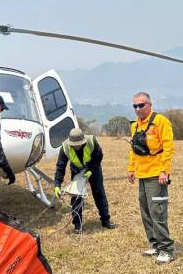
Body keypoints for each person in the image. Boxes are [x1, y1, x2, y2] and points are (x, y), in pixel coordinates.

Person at [127, 92, 175, 264]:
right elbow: (134, 149)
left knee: (157, 212)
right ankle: (155, 244)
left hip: (156, 175)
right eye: (135, 106)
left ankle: (167, 249)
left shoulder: (161, 121)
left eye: (141, 105)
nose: (138, 109)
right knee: (146, 211)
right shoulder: (135, 125)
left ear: (150, 105)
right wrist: (131, 169)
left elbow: (168, 148)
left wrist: (164, 171)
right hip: (142, 174)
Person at [53, 127, 116, 234]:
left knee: (99, 193)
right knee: (76, 196)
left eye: (79, 144)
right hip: (76, 170)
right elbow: (60, 167)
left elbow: (98, 157)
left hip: (93, 168)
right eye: (74, 144)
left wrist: (91, 170)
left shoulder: (91, 141)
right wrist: (57, 184)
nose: (76, 146)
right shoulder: (65, 147)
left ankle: (106, 220)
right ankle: (77, 225)